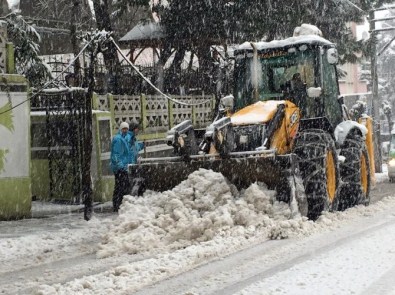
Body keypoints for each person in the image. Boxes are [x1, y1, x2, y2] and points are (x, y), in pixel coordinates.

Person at [110, 121, 131, 212]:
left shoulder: (123, 138)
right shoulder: (118, 139)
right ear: (120, 129)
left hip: (122, 167)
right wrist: (120, 165)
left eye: (126, 128)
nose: (125, 130)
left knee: (121, 186)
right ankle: (117, 205)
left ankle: (119, 204)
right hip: (119, 168)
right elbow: (116, 154)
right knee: (120, 186)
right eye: (123, 128)